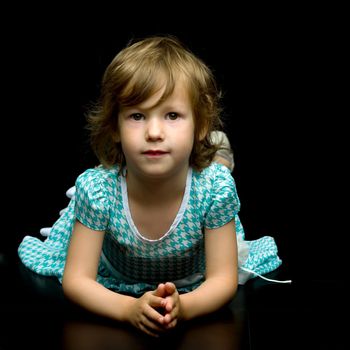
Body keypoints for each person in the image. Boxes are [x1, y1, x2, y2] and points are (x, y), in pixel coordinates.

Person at [18, 35, 288, 337]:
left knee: (216, 170)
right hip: (119, 270)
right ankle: (209, 147)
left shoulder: (214, 189)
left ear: (199, 124)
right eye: (137, 116)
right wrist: (126, 309)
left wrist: (185, 306)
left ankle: (215, 148)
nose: (154, 132)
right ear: (115, 127)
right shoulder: (98, 190)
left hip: (192, 256)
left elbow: (222, 280)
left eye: (172, 115)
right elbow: (77, 281)